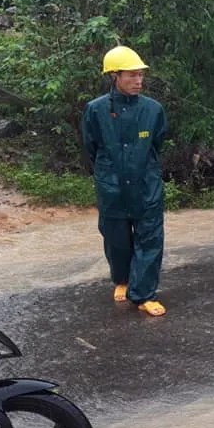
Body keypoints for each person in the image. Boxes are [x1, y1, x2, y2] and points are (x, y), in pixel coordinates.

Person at [81, 46, 168, 317]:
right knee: (116, 238)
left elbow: (157, 143)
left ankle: (144, 294)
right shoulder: (95, 110)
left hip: (146, 184)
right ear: (115, 76)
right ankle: (122, 278)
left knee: (150, 237)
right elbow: (91, 146)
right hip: (112, 186)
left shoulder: (153, 110)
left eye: (140, 75)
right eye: (131, 75)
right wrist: (108, 173)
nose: (138, 81)